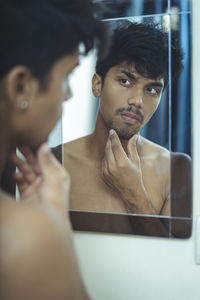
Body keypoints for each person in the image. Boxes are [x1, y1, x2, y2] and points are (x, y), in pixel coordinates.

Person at [0, 0, 107, 299]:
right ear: (21, 87)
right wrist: (53, 227)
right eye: (66, 77)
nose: (71, 94)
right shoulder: (23, 239)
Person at [63, 21, 190, 218]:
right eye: (125, 81)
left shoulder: (176, 170)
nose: (137, 101)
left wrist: (134, 193)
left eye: (151, 90)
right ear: (97, 84)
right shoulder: (56, 162)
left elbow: (173, 250)